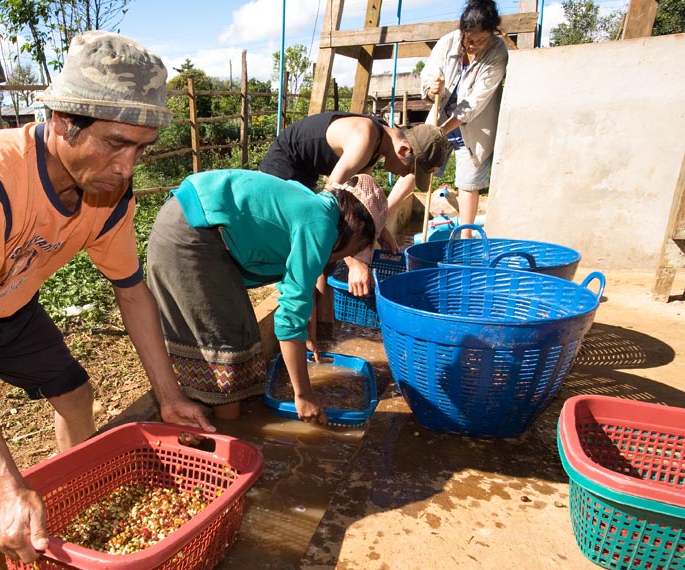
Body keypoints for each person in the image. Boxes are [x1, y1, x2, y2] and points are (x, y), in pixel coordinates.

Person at [0, 31, 213, 567]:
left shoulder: (110, 193)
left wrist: (169, 395)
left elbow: (132, 294)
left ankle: (72, 512)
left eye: (140, 149)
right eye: (114, 143)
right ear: (61, 121)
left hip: (9, 299)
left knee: (76, 396)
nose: (127, 167)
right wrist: (8, 484)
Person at [146, 170, 384, 424]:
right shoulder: (321, 224)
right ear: (358, 226)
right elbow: (290, 316)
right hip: (191, 234)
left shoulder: (315, 206)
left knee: (239, 330)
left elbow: (294, 286)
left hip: (189, 221)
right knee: (225, 341)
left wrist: (309, 335)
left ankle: (220, 424)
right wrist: (303, 395)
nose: (351, 255)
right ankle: (229, 435)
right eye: (359, 247)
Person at [259, 113, 449, 296]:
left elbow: (357, 200)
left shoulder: (379, 143)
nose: (405, 175)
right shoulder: (365, 138)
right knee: (306, 254)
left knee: (324, 262)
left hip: (306, 173)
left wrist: (380, 230)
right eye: (410, 170)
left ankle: (323, 322)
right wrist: (353, 261)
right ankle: (303, 309)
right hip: (283, 168)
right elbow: (329, 204)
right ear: (404, 150)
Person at [420, 0, 508, 237]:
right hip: (440, 119)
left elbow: (474, 103)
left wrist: (442, 131)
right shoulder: (448, 42)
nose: (473, 46)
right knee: (417, 171)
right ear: (462, 32)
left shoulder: (497, 53)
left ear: (492, 33)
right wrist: (431, 89)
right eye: (469, 40)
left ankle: (465, 242)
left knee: (469, 184)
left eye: (481, 40)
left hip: (473, 128)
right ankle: (382, 225)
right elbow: (428, 75)